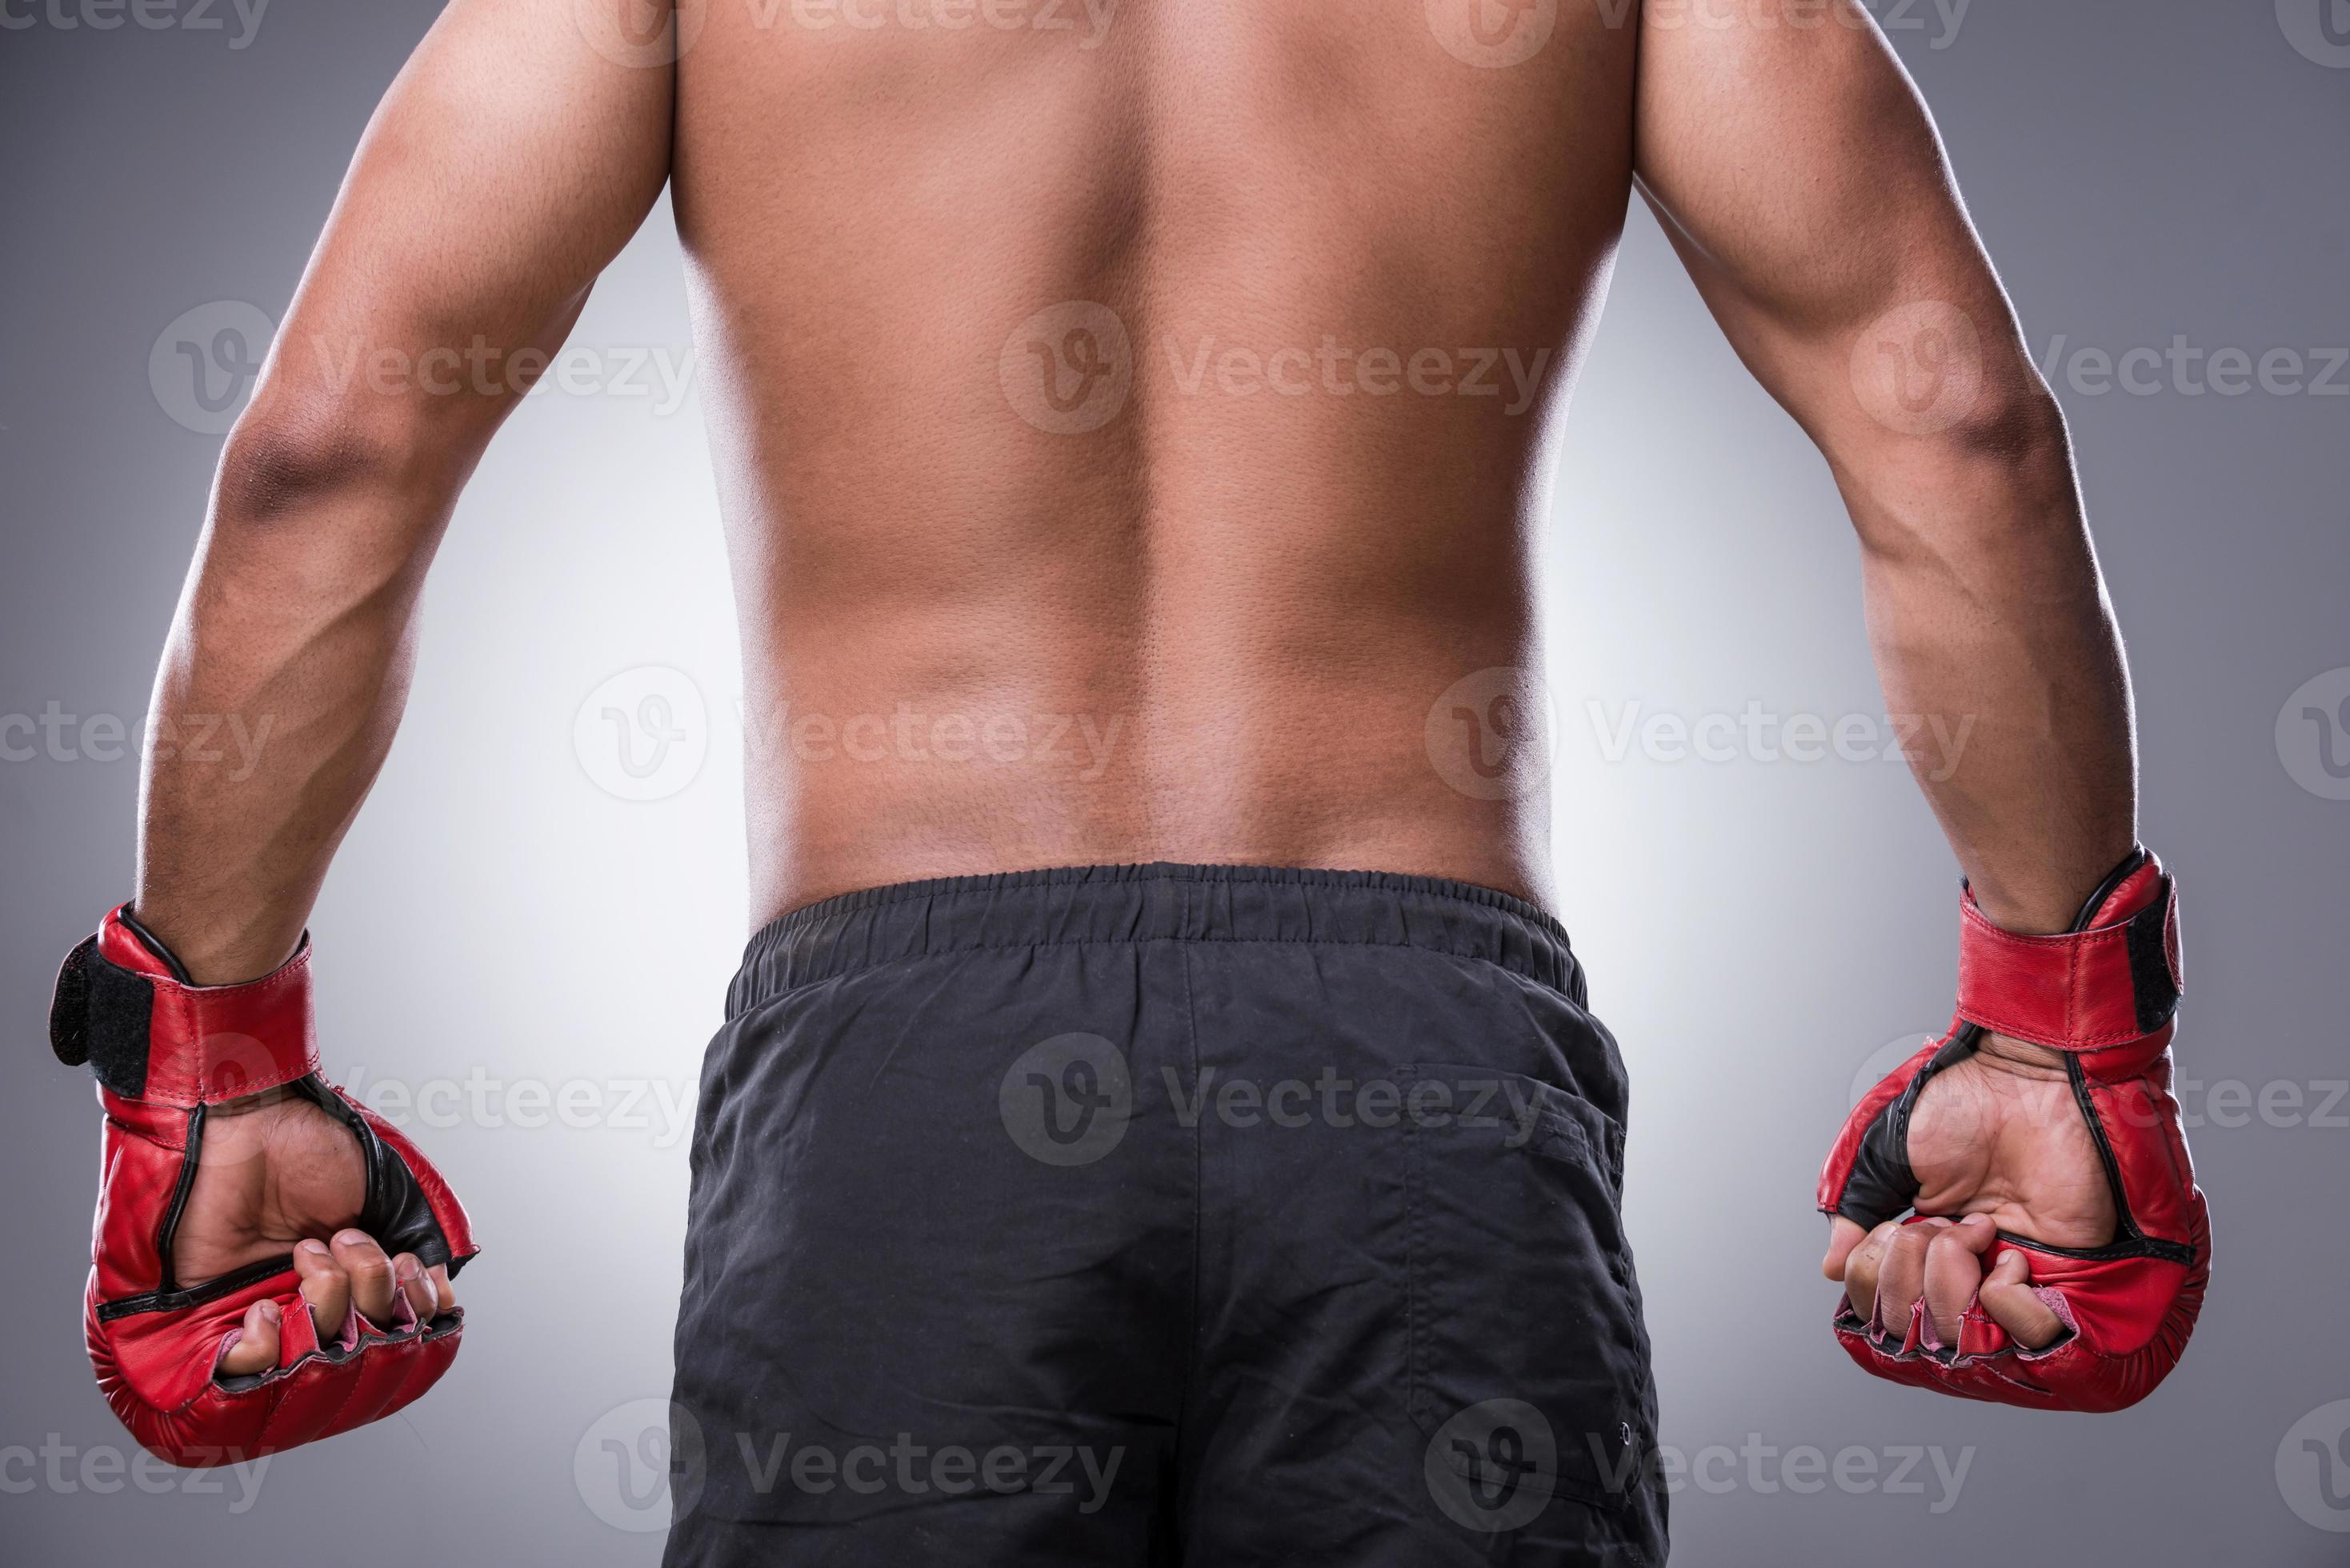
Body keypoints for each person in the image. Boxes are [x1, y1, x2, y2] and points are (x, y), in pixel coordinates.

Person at [50, 1, 2207, 1562]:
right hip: (1420, 1073)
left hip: (904, 1077)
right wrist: (2057, 1034)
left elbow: (326, 457)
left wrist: (215, 1065)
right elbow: (1956, 428)